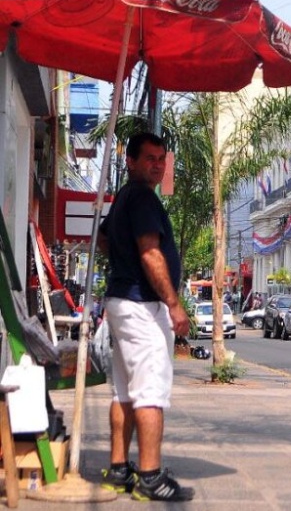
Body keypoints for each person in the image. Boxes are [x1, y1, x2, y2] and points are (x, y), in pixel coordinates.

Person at [98, 132, 194, 502]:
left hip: (123, 300)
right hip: (141, 306)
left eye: (161, 158)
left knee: (125, 391)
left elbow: (106, 239)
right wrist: (173, 303)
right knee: (150, 391)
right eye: (149, 158)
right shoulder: (141, 200)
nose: (157, 164)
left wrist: (122, 263)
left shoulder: (125, 196)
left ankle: (120, 468)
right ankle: (150, 476)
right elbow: (151, 254)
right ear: (131, 162)